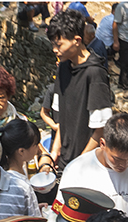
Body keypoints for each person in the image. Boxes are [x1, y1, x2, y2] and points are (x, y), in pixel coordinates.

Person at [47, 9, 115, 169]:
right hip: (65, 159)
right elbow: (62, 119)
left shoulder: (95, 73)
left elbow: (101, 129)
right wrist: (55, 151)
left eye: (59, 45)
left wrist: (79, 163)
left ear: (77, 40)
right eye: (53, 44)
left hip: (87, 164)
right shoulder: (63, 67)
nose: (54, 50)